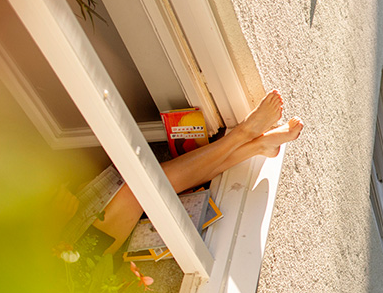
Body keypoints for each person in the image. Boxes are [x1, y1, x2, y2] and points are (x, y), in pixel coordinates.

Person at [71, 90, 304, 256]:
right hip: (76, 267)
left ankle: (256, 146)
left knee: (141, 185)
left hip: (63, 252)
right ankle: (244, 135)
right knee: (140, 188)